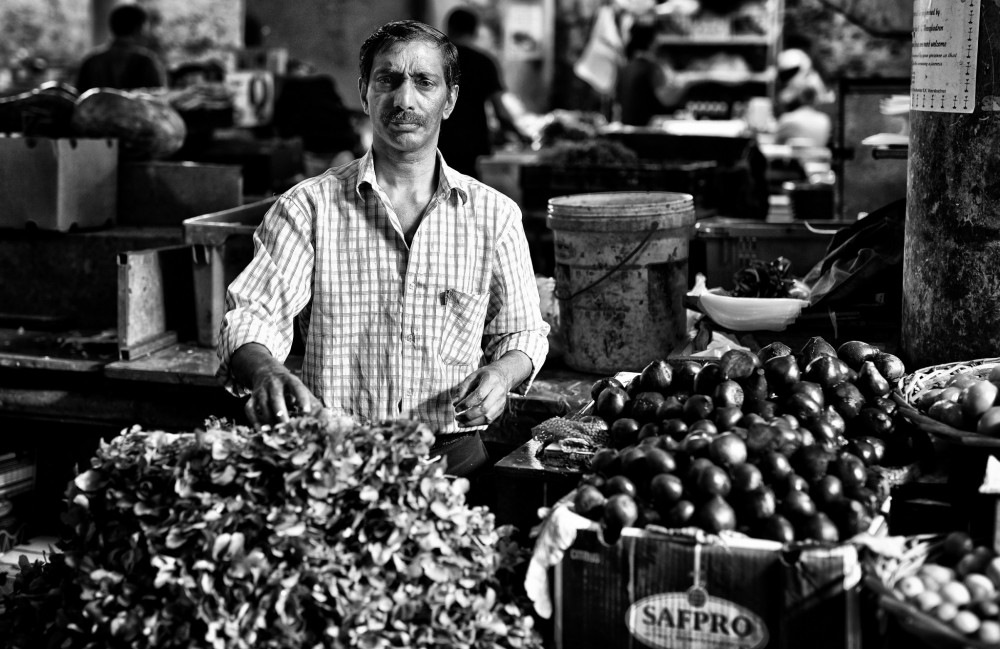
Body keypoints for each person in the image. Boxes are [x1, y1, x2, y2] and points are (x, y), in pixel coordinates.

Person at [216, 20, 549, 473]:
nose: (404, 100)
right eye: (388, 80)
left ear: (449, 100)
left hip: (452, 460)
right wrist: (266, 369)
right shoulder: (307, 207)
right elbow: (253, 314)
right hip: (335, 460)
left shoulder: (494, 215)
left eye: (424, 82)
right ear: (364, 93)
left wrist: (501, 374)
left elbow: (523, 332)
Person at [437, 7, 530, 179]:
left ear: (448, 28)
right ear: (474, 31)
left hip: (438, 140)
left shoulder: (434, 60)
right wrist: (519, 134)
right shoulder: (483, 62)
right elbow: (500, 111)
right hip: (471, 144)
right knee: (468, 193)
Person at [76, 3, 166, 92]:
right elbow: (157, 99)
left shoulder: (90, 61)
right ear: (139, 28)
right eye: (145, 27)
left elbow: (80, 100)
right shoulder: (146, 61)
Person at [616, 22, 686, 126]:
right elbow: (667, 100)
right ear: (652, 42)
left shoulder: (626, 67)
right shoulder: (651, 67)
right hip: (645, 132)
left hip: (627, 128)